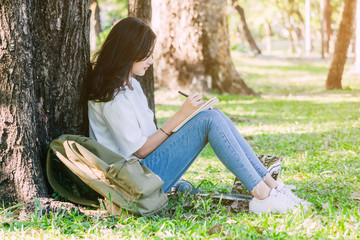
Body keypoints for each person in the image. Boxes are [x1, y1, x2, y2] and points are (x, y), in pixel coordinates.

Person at [86, 17, 309, 214]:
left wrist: (189, 118)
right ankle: (262, 196)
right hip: (134, 183)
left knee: (214, 117)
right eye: (146, 54)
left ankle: (273, 187)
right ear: (129, 52)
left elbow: (150, 139)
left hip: (145, 170)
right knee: (209, 121)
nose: (151, 61)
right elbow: (141, 149)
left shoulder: (131, 85)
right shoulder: (110, 97)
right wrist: (181, 115)